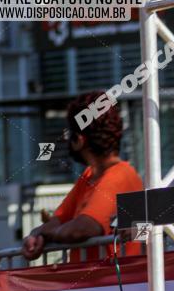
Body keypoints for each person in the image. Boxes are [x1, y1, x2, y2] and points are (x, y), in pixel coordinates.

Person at [21, 90, 143, 263]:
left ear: (79, 139)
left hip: (113, 285)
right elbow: (58, 221)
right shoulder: (89, 175)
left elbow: (82, 228)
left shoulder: (120, 176)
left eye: (69, 132)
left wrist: (49, 234)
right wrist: (37, 235)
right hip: (93, 286)